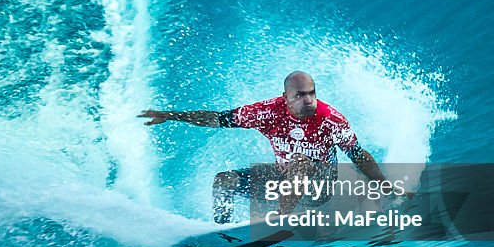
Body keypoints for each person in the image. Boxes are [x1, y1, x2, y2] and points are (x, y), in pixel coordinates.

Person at [139, 71, 396, 223]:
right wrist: (171, 116)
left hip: (320, 186)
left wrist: (384, 185)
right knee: (223, 181)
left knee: (301, 162)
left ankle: (279, 222)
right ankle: (221, 233)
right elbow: (218, 118)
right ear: (286, 98)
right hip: (286, 183)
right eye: (301, 95)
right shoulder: (267, 112)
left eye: (312, 93)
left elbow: (358, 155)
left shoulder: (330, 119)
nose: (309, 100)